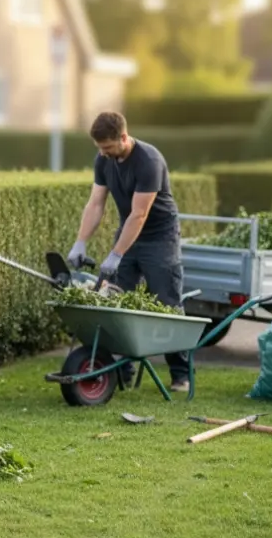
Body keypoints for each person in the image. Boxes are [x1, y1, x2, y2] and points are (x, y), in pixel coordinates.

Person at [66, 111, 190, 392]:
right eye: (100, 148)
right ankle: (122, 371)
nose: (104, 153)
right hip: (128, 235)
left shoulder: (149, 161)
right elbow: (96, 203)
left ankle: (180, 375)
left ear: (123, 137)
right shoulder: (104, 159)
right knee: (116, 303)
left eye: (108, 147)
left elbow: (139, 214)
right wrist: (80, 241)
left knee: (166, 303)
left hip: (160, 238)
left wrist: (116, 254)